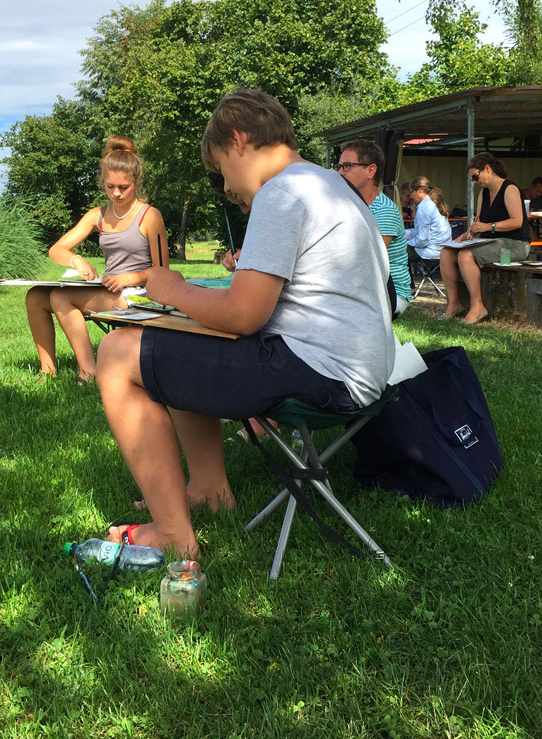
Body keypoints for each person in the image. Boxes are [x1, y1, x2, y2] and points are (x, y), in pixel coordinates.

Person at [96, 89, 395, 557]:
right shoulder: (332, 186)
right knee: (177, 339)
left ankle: (172, 535)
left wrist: (172, 289)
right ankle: (207, 490)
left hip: (320, 371)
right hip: (362, 372)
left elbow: (243, 314)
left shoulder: (283, 191)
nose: (228, 187)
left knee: (116, 352)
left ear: (237, 140)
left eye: (221, 169)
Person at [25, 136, 168, 383]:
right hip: (109, 289)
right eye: (110, 186)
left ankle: (89, 371)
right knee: (35, 296)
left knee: (60, 297)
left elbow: (163, 272)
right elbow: (57, 249)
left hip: (138, 294)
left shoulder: (150, 216)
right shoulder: (97, 215)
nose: (116, 193)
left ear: (136, 182)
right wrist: (77, 261)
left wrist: (127, 278)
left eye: (123, 187)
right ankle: (47, 371)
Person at [439, 152, 530, 325]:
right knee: (446, 253)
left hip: (514, 245)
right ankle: (454, 304)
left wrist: (489, 227)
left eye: (475, 176)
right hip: (491, 243)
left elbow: (517, 221)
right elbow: (479, 222)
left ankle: (477, 307)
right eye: (472, 179)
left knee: (466, 255)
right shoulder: (484, 193)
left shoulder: (510, 189)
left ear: (487, 169)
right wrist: (467, 234)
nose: (474, 182)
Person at [337, 138, 412, 317]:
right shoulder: (348, 205)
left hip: (391, 293)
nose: (339, 172)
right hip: (365, 286)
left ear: (371, 170)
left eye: (347, 166)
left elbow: (365, 259)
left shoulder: (384, 210)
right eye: (339, 166)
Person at [404, 176, 452, 281]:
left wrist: (406, 241)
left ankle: (406, 286)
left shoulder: (424, 208)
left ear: (419, 190)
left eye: (411, 192)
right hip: (442, 249)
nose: (410, 196)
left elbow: (422, 240)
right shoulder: (433, 203)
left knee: (397, 250)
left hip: (430, 250)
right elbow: (420, 232)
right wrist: (402, 234)